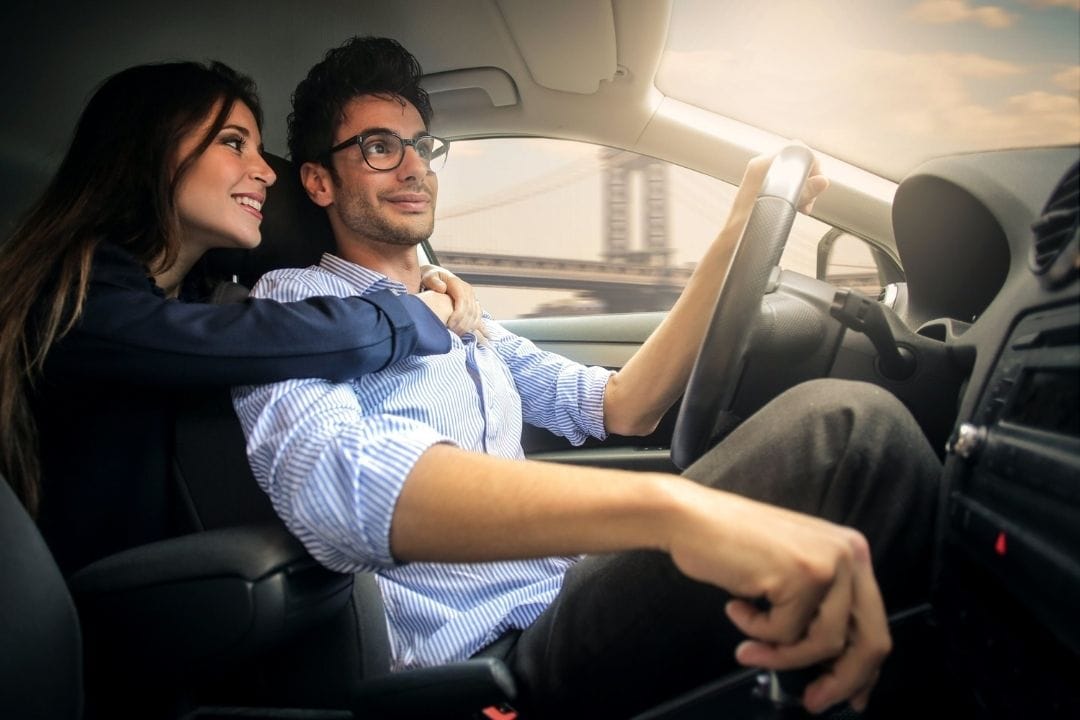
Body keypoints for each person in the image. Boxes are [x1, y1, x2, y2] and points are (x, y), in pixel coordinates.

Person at [232, 37, 942, 718]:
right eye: (380, 148)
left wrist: (735, 230)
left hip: (565, 591)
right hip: (492, 651)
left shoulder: (462, 313)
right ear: (320, 181)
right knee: (849, 435)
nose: (415, 168)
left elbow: (620, 405)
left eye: (421, 146)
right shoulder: (294, 305)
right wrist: (672, 512)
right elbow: (339, 484)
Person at [0, 60, 485, 576]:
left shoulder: (195, 300)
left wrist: (422, 283)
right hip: (97, 622)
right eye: (234, 143)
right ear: (151, 151)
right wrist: (412, 312)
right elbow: (265, 336)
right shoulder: (73, 299)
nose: (268, 173)